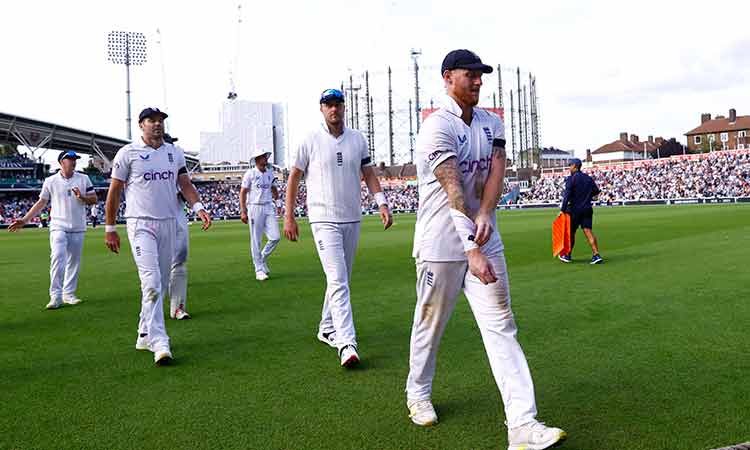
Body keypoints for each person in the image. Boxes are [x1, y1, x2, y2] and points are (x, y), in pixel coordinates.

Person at [405, 49, 566, 450]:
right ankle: (418, 393)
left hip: (483, 236)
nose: (478, 81)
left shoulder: (491, 122)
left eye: (480, 75)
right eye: (469, 75)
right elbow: (453, 187)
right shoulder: (435, 127)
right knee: (430, 323)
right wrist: (470, 248)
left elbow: (496, 170)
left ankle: (522, 426)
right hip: (441, 243)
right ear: (447, 77)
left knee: (502, 325)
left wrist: (488, 216)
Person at [284, 88, 393, 368]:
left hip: (352, 217)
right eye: (328, 105)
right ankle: (347, 343)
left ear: (344, 107)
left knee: (340, 277)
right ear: (321, 109)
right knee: (338, 280)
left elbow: (368, 173)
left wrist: (381, 202)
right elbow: (294, 178)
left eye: (338, 105)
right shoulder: (310, 139)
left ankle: (326, 327)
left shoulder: (357, 139)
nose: (334, 109)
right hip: (323, 218)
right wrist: (289, 215)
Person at [104, 107, 212, 366]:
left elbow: (185, 184)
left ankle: (143, 332)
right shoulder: (127, 153)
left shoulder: (174, 153)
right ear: (141, 125)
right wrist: (110, 228)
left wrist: (199, 207)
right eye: (151, 120)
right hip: (140, 224)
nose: (157, 124)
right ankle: (160, 342)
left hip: (168, 223)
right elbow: (115, 192)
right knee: (151, 282)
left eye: (161, 120)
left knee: (160, 284)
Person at [8, 151, 97, 309]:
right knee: (57, 257)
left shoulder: (84, 178)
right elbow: (41, 202)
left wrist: (82, 197)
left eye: (74, 159)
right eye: (69, 159)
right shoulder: (51, 181)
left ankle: (68, 294)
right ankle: (55, 296)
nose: (73, 162)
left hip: (78, 226)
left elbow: (94, 199)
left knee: (73, 262)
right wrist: (24, 220)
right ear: (61, 162)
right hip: (58, 225)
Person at [240, 148, 282, 281]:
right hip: (255, 207)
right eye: (263, 156)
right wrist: (243, 211)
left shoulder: (270, 172)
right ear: (257, 159)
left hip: (268, 206)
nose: (266, 158)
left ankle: (262, 258)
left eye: (266, 156)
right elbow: (243, 192)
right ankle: (258, 269)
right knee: (256, 240)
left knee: (275, 237)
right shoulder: (250, 173)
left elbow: (273, 188)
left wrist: (279, 203)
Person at [558, 158, 603, 264]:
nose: (569, 167)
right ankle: (596, 255)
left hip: (574, 210)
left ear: (575, 166)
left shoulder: (571, 179)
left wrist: (562, 210)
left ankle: (568, 255)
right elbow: (596, 191)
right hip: (587, 208)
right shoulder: (588, 178)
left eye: (570, 165)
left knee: (571, 233)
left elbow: (567, 195)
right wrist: (588, 197)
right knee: (588, 231)